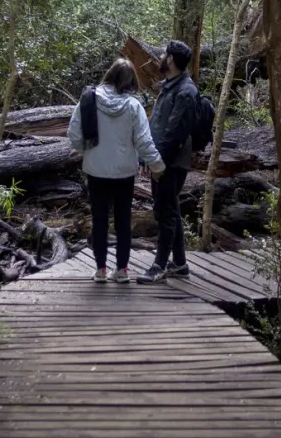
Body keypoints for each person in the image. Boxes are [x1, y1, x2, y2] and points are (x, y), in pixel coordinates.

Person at [67, 58, 165, 283]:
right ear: (129, 81)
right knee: (123, 220)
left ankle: (100, 270)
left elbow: (73, 134)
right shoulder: (133, 106)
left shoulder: (88, 99)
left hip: (96, 171)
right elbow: (143, 141)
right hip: (124, 174)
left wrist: (88, 150)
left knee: (99, 220)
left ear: (110, 75)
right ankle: (122, 270)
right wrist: (157, 165)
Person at [137, 40, 197, 284]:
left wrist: (158, 163)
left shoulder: (186, 91)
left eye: (164, 53)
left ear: (171, 59)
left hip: (170, 163)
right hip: (161, 160)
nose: (161, 56)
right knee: (169, 209)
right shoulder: (170, 86)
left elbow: (174, 134)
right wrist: (147, 157)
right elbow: (157, 126)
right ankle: (180, 263)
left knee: (165, 213)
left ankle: (159, 265)